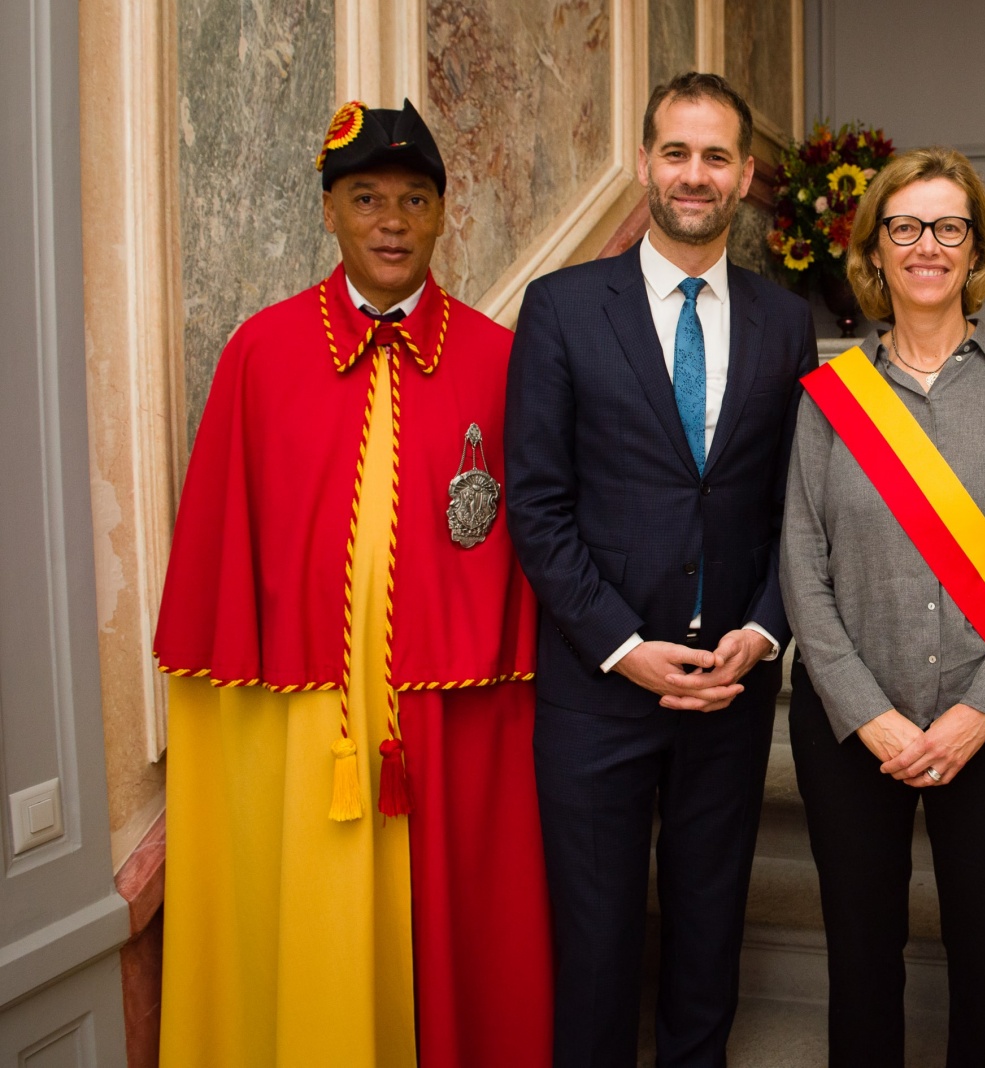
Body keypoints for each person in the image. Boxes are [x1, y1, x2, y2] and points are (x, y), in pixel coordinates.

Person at [154, 100, 552, 1068]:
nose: (391, 220)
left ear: (442, 218)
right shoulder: (262, 351)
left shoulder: (504, 360)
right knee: (311, 925)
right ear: (328, 212)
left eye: (414, 200)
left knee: (462, 931)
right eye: (366, 197)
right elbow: (221, 543)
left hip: (456, 716)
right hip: (304, 719)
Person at [504, 72, 815, 1068]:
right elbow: (537, 507)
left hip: (729, 682)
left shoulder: (784, 322)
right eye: (675, 153)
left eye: (715, 156)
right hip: (598, 686)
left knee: (707, 927)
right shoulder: (558, 309)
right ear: (643, 165)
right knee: (594, 944)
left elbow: (791, 508)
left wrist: (763, 632)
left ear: (746, 176)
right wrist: (622, 646)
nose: (694, 174)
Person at [780, 146, 985, 1067]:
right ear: (875, 252)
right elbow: (802, 563)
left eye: (948, 228)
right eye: (905, 228)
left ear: (976, 250)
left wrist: (980, 708)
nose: (927, 245)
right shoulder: (829, 397)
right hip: (854, 727)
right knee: (860, 958)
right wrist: (868, 715)